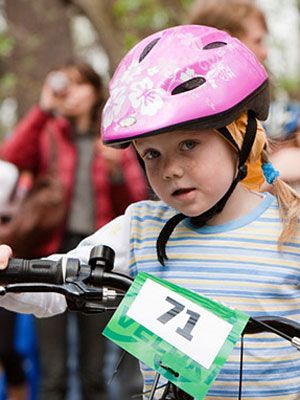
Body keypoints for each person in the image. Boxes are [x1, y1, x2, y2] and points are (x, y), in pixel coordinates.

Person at [1, 25, 300, 399]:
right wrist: (6, 274)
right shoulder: (140, 228)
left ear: (240, 136)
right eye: (152, 154)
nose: (170, 169)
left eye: (189, 144)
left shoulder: (291, 228)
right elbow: (54, 290)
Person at [0, 61, 147, 400]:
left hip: (99, 257)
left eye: (81, 84)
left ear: (96, 91)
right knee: (53, 372)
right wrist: (43, 107)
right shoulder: (49, 131)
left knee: (94, 370)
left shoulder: (111, 138)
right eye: (68, 84)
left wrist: (115, 172)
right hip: (50, 252)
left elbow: (137, 200)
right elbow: (12, 156)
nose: (72, 93)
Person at [188, 0, 300, 189]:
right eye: (258, 40)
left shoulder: (242, 106)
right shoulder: (199, 115)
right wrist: (276, 170)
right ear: (225, 42)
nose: (264, 52)